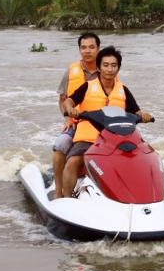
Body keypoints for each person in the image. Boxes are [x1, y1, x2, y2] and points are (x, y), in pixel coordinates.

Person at [61, 46, 152, 198]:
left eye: (114, 65)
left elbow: (136, 111)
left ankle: (141, 193)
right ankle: (66, 199)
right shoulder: (87, 86)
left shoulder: (123, 90)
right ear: (98, 67)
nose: (110, 69)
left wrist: (144, 115)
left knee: (141, 158)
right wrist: (71, 109)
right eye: (106, 65)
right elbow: (68, 101)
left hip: (117, 139)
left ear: (118, 68)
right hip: (89, 138)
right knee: (73, 161)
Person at [52, 32, 105, 199]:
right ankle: (58, 191)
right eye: (83, 47)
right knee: (60, 145)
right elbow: (62, 99)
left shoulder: (107, 70)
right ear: (79, 50)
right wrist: (68, 119)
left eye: (91, 47)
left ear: (98, 49)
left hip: (99, 125)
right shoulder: (71, 70)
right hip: (76, 124)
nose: (87, 51)